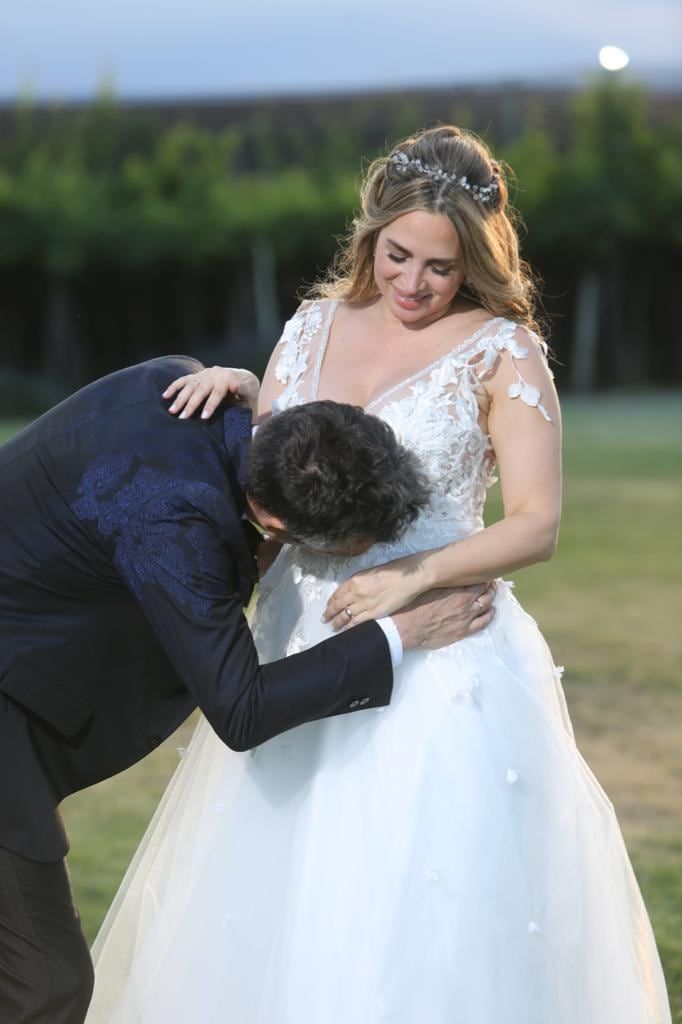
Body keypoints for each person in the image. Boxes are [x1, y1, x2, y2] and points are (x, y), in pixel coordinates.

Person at [86, 126, 671, 1022]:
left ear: (475, 258)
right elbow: (276, 472)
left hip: (442, 651)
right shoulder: (315, 322)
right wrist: (245, 389)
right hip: (297, 632)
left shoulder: (502, 351)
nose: (413, 283)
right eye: (398, 255)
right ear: (370, 237)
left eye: (440, 267)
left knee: (414, 893)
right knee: (281, 887)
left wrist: (409, 581)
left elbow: (538, 524)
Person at [0, 356, 495, 1024]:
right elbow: (242, 706)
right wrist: (401, 633)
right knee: (47, 985)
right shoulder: (173, 518)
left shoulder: (181, 381)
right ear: (279, 527)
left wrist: (256, 394)